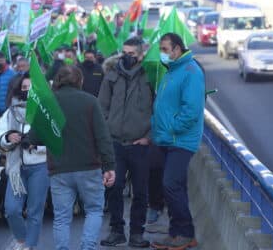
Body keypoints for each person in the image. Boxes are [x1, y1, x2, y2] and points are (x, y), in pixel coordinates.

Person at [29, 65, 115, 250]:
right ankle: (87, 247)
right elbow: (103, 137)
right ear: (80, 80)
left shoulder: (47, 102)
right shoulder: (91, 101)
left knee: (61, 217)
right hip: (89, 167)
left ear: (57, 81)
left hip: (59, 168)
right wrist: (109, 166)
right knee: (93, 210)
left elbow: (34, 137)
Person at [150, 33, 204, 250]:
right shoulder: (172, 71)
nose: (162, 53)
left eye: (165, 49)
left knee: (170, 184)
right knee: (173, 187)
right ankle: (175, 233)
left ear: (177, 49)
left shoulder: (191, 71)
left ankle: (186, 232)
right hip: (166, 139)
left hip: (180, 140)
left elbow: (191, 110)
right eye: (160, 49)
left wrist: (173, 128)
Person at [98, 38, 153, 248]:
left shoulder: (151, 75)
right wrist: (106, 132)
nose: (126, 57)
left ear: (140, 54)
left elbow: (159, 109)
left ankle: (137, 233)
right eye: (124, 52)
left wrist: (149, 136)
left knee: (140, 192)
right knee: (114, 187)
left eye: (131, 53)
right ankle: (116, 230)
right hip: (115, 143)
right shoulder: (111, 75)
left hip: (140, 144)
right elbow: (101, 107)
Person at [0, 74, 49, 250]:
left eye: (31, 88)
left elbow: (56, 139)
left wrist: (37, 145)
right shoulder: (10, 113)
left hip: (40, 167)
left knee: (35, 211)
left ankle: (30, 246)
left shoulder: (46, 112)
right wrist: (9, 137)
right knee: (12, 209)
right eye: (24, 88)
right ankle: (21, 239)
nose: (27, 91)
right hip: (17, 167)